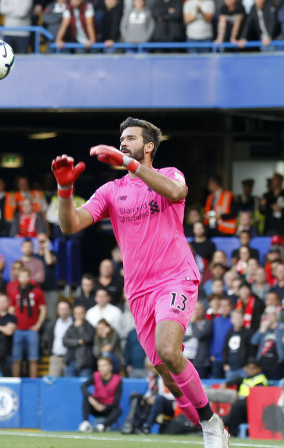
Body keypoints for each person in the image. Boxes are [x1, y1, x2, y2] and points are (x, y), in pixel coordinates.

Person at [53, 117, 229, 447]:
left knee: (168, 349)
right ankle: (203, 422)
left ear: (148, 146)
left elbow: (177, 192)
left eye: (131, 138)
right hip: (138, 291)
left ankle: (211, 423)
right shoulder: (111, 191)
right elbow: (70, 225)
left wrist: (129, 164)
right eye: (121, 138)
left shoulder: (169, 175)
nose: (123, 142)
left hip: (175, 277)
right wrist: (65, 190)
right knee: (165, 370)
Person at [9, 267, 46, 377]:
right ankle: (15, 381)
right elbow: (11, 309)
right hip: (18, 329)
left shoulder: (37, 292)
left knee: (33, 358)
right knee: (16, 359)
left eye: (26, 276)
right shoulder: (15, 292)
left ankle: (33, 381)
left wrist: (38, 324)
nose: (24, 278)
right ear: (18, 278)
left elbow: (43, 309)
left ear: (30, 278)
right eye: (22, 276)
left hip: (32, 329)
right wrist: (12, 324)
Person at [77, 356, 124, 433]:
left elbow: (116, 401)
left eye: (104, 365)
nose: (101, 368)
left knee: (118, 410)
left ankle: (101, 426)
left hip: (109, 409)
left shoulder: (118, 380)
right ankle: (85, 423)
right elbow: (83, 386)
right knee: (86, 398)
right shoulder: (96, 376)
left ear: (110, 367)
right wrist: (93, 401)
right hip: (96, 406)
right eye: (99, 366)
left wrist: (104, 407)